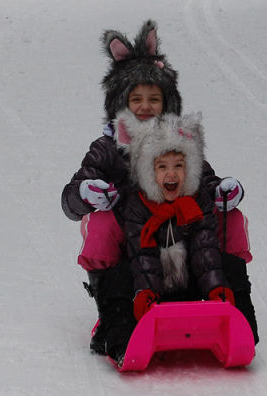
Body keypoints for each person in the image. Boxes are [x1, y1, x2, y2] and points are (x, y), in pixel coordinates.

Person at [61, 20, 252, 363]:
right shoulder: (107, 147)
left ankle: (231, 304)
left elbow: (203, 179)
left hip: (182, 235)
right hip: (132, 244)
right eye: (136, 99)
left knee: (231, 218)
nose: (146, 106)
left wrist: (223, 192)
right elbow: (71, 198)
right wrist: (87, 193)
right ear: (121, 103)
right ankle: (114, 312)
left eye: (155, 98)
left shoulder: (180, 142)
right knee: (101, 223)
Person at [116, 109, 259, 342]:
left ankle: (241, 335)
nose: (171, 174)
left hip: (192, 282)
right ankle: (121, 343)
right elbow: (142, 253)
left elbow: (205, 248)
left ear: (190, 168)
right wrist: (147, 294)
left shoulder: (196, 200)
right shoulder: (138, 204)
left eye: (179, 166)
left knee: (231, 267)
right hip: (153, 290)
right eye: (162, 167)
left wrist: (216, 289)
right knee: (118, 277)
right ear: (149, 172)